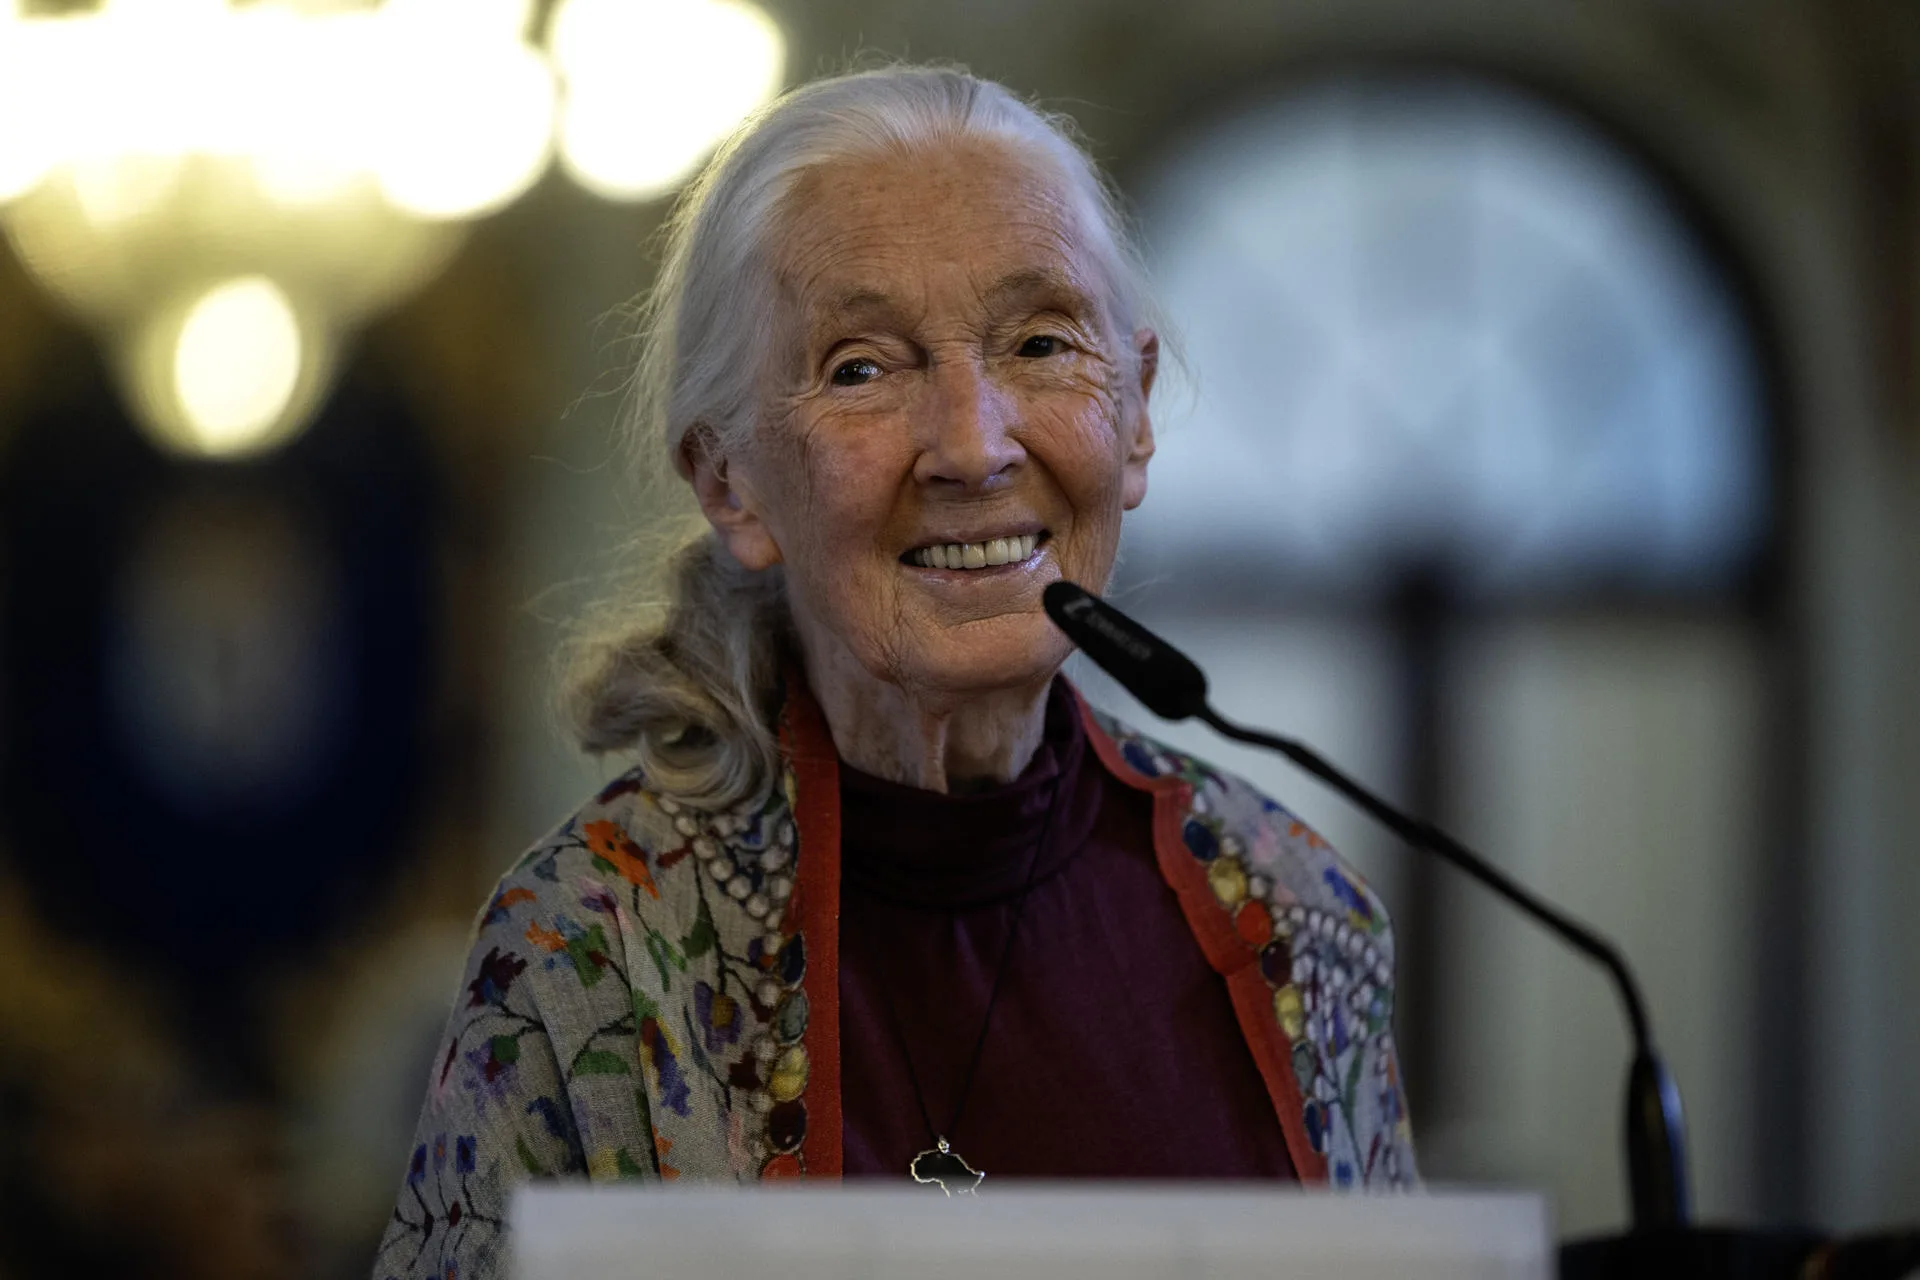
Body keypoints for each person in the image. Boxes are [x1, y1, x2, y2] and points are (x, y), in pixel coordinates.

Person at [375, 63, 1416, 1280]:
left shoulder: (1298, 912)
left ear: (1133, 414)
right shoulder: (590, 949)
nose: (974, 443)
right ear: (729, 480)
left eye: (1040, 342)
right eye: (862, 367)